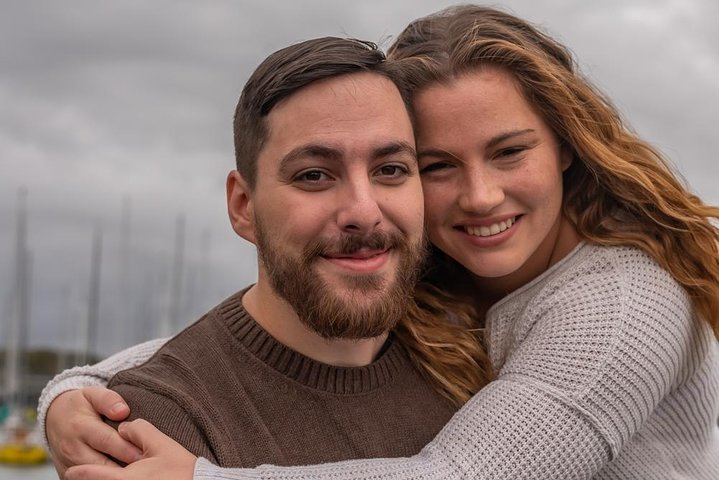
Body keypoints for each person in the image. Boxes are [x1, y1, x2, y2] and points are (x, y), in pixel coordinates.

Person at [42, 4, 719, 480]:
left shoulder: (622, 305)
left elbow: (457, 476)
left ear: (566, 148)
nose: (479, 196)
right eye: (435, 166)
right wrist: (76, 388)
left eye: (508, 152)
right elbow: (256, 322)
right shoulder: (448, 274)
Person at [40, 35, 497, 477]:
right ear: (244, 207)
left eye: (391, 170)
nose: (363, 211)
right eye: (314, 175)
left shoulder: (478, 353)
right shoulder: (155, 428)